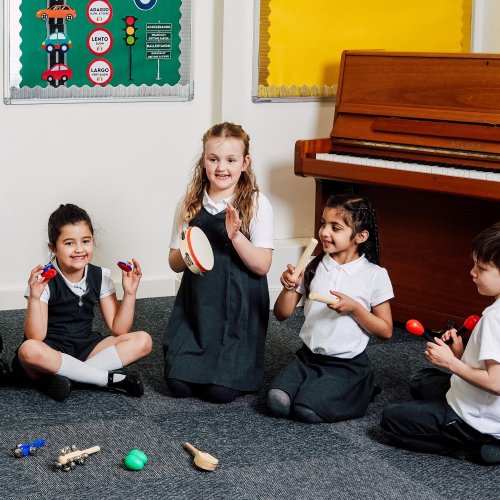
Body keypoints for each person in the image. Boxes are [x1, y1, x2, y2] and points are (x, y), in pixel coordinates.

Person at [163, 122, 273, 404]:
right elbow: (175, 263)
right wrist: (190, 249)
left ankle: (231, 364)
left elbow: (262, 265)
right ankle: (195, 352)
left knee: (219, 393)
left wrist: (235, 236)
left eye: (231, 160)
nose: (221, 167)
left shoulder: (257, 203)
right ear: (204, 160)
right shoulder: (189, 202)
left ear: (245, 163)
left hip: (238, 304)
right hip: (199, 303)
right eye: (213, 159)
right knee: (177, 385)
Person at [380, 221, 500, 464]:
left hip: (477, 419)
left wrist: (451, 364)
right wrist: (459, 354)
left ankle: (474, 446)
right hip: (488, 406)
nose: (472, 272)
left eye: (481, 268)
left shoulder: (494, 318)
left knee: (390, 420)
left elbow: (496, 383)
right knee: (421, 380)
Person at [267, 193, 393, 423]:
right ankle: (316, 387)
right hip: (307, 357)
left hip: (346, 365)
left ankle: (361, 388)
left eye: (336, 227)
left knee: (307, 411)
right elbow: (281, 314)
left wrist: (355, 309)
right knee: (277, 401)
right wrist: (288, 288)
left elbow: (385, 331)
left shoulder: (374, 275)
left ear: (360, 236)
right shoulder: (313, 265)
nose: (324, 232)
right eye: (323, 224)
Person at [13, 204, 152, 401]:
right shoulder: (43, 279)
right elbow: (35, 335)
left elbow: (119, 329)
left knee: (143, 340)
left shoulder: (100, 275)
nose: (79, 249)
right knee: (28, 350)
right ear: (53, 247)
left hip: (86, 347)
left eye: (85, 241)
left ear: (93, 241)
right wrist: (35, 297)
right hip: (51, 350)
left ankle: (70, 377)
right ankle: (107, 379)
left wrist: (130, 293)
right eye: (69, 243)